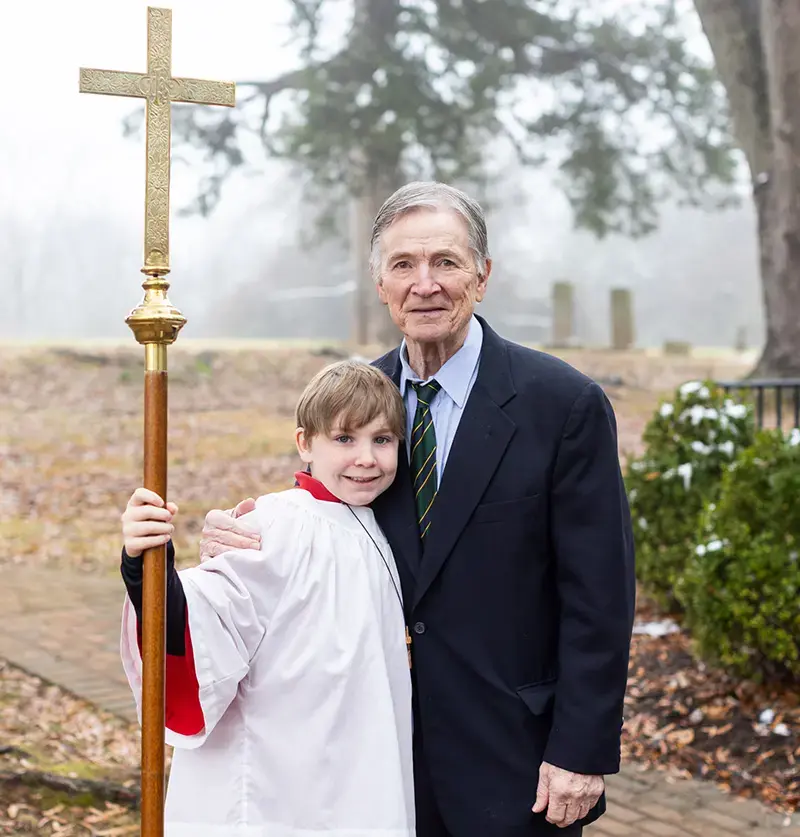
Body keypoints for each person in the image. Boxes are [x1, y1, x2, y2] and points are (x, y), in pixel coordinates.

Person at [199, 182, 636, 836]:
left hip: (513, 755)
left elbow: (599, 594)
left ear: (482, 276)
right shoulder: (356, 406)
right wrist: (238, 535)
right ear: (380, 282)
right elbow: (318, 521)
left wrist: (581, 749)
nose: (424, 283)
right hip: (373, 756)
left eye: (446, 262)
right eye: (403, 264)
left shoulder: (562, 406)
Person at [118, 360, 415, 836]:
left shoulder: (382, 527)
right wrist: (145, 566)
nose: (366, 458)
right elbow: (202, 622)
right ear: (304, 443)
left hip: (363, 774)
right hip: (277, 793)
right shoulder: (273, 526)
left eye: (382, 440)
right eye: (344, 439)